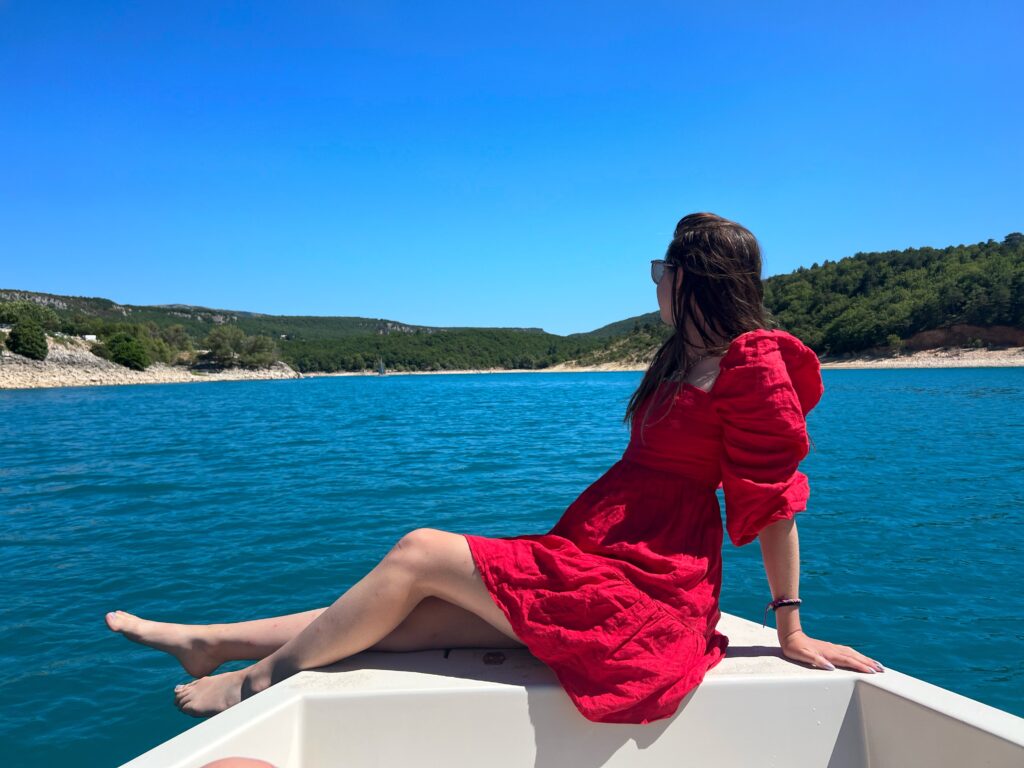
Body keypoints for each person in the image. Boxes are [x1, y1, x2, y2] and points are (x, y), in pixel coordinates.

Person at [106, 212, 883, 724]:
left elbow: (776, 503)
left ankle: (255, 680)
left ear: (692, 278)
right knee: (408, 617)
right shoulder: (681, 355)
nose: (652, 286)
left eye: (659, 271)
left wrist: (791, 627)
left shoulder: (752, 368)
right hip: (597, 556)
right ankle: (211, 640)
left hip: (649, 586)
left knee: (419, 550)